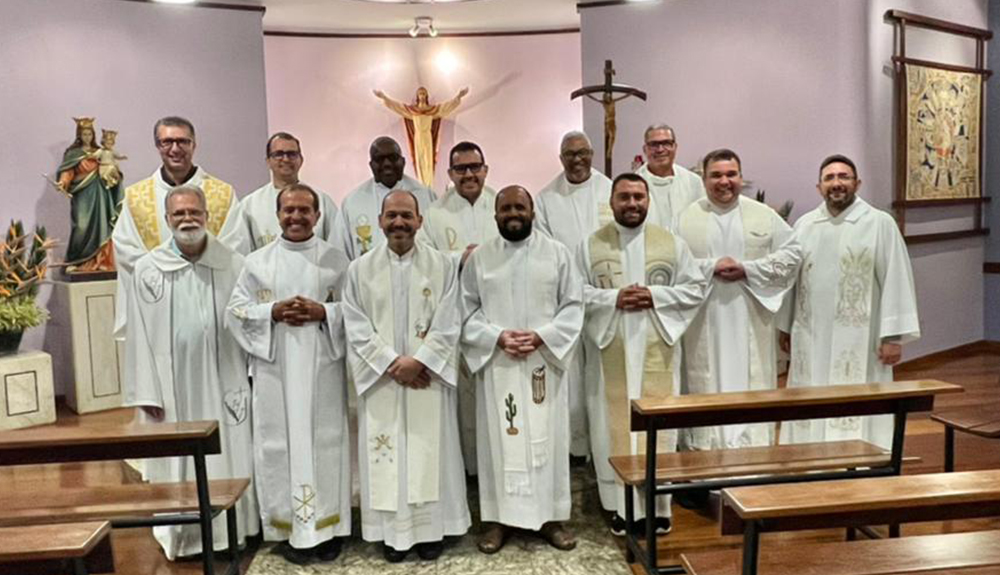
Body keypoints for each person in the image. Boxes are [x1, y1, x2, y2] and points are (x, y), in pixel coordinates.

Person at [123, 185, 258, 559]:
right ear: (167, 220)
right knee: (179, 459)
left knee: (229, 454)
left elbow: (251, 324)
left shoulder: (233, 264)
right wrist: (147, 393)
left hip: (226, 379)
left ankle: (234, 531)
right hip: (172, 388)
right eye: (179, 214)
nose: (188, 220)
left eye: (194, 213)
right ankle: (183, 538)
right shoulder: (149, 269)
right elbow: (138, 337)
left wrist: (253, 375)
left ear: (207, 216)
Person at [227, 184, 351, 564]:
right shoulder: (257, 262)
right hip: (275, 370)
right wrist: (273, 313)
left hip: (322, 372)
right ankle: (288, 528)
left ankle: (329, 530)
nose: (296, 217)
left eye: (304, 210)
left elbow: (358, 312)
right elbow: (235, 311)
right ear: (277, 215)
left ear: (318, 216)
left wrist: (325, 313)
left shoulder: (336, 261)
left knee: (325, 444)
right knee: (279, 446)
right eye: (288, 210)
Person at [576, 173, 707, 535]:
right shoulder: (589, 246)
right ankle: (620, 508)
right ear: (612, 202)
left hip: (656, 348)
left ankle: (658, 508)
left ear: (647, 201)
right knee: (611, 426)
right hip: (610, 352)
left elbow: (695, 288)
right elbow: (574, 294)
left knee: (657, 428)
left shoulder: (672, 244)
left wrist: (656, 297)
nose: (632, 204)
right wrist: (613, 298)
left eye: (638, 197)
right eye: (624, 197)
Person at [343, 190, 469, 562]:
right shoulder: (358, 269)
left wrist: (422, 360)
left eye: (406, 216)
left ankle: (433, 531)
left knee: (430, 452)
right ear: (380, 221)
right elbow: (355, 324)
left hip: (426, 378)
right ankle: (389, 535)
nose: (399, 223)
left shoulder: (443, 266)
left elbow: (450, 320)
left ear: (420, 221)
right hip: (382, 380)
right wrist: (391, 363)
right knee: (388, 455)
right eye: (392, 216)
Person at [461, 185, 583, 554]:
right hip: (498, 366)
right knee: (499, 443)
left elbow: (574, 306)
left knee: (548, 440)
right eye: (505, 208)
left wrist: (542, 337)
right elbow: (465, 312)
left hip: (542, 365)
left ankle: (550, 518)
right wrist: (497, 337)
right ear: (494, 214)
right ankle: (497, 520)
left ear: (532, 211)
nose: (513, 213)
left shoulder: (558, 254)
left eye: (520, 207)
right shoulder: (481, 258)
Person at [779, 154, 919, 449]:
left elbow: (896, 278)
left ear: (857, 183)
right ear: (819, 187)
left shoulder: (879, 223)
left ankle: (865, 456)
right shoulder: (804, 226)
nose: (837, 183)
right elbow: (791, 281)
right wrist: (785, 327)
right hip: (811, 336)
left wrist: (892, 336)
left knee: (860, 395)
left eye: (844, 177)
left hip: (862, 339)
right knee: (812, 394)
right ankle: (810, 458)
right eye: (829, 178)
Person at [675, 149, 801, 453]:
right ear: (703, 179)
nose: (724, 181)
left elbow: (793, 253)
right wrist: (710, 267)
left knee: (751, 384)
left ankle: (753, 458)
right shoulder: (685, 218)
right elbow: (671, 264)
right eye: (716, 175)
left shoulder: (764, 215)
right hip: (704, 319)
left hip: (750, 316)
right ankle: (704, 457)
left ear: (741, 177)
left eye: (731, 174)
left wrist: (749, 269)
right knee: (705, 383)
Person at [113, 116, 249, 336]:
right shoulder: (136, 196)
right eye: (167, 142)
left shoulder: (222, 193)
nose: (175, 149)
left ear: (194, 145)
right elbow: (126, 251)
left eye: (183, 142)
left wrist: (194, 279)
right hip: (158, 307)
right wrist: (172, 280)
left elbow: (235, 248)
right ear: (157, 146)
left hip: (211, 305)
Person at [418, 140, 499, 477]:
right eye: (460, 169)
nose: (469, 174)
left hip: (498, 316)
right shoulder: (435, 214)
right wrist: (460, 257)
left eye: (474, 167)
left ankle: (496, 468)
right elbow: (425, 263)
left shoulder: (503, 204)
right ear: (449, 174)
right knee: (464, 399)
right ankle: (467, 471)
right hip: (456, 318)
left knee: (495, 396)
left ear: (485, 169)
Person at [535, 130, 614, 458]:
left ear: (592, 153)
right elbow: (545, 249)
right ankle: (576, 447)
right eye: (570, 154)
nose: (577, 159)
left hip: (608, 294)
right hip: (566, 297)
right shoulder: (546, 198)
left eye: (583, 152)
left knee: (605, 373)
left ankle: (606, 442)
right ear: (560, 158)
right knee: (572, 377)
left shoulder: (609, 189)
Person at [336, 136, 436, 260]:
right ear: (371, 165)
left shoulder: (426, 196)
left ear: (403, 161)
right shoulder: (352, 202)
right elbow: (340, 252)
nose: (387, 164)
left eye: (393, 158)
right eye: (379, 159)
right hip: (369, 277)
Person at [242, 132, 340, 250]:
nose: (285, 159)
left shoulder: (322, 200)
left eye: (292, 154)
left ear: (301, 160)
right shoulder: (250, 205)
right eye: (278, 154)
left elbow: (336, 246)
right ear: (268, 161)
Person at [55, 117, 123, 272]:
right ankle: (76, 261)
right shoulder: (73, 154)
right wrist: (62, 182)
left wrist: (115, 175)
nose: (87, 137)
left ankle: (102, 262)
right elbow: (67, 172)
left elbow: (110, 166)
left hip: (100, 194)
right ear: (79, 135)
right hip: (82, 194)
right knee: (81, 226)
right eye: (84, 134)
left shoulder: (100, 152)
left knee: (102, 227)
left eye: (89, 134)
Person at [373, 87, 469, 187]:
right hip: (418, 138)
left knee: (428, 161)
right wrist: (384, 97)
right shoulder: (412, 111)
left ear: (426, 96)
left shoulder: (432, 110)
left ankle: (429, 184)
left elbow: (446, 107)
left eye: (424, 94)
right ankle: (422, 183)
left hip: (428, 138)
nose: (422, 96)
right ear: (417, 96)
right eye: (420, 94)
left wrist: (459, 96)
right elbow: (398, 107)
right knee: (419, 160)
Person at [635, 124, 704, 229]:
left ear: (675, 147)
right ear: (645, 149)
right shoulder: (634, 184)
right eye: (654, 144)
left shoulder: (693, 182)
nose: (660, 149)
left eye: (666, 143)